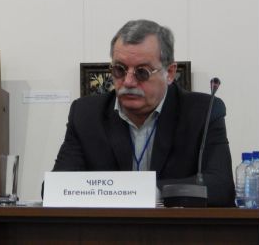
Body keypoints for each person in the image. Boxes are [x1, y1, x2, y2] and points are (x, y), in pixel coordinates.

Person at [52, 19, 235, 207]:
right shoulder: (86, 114)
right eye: (119, 70)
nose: (128, 82)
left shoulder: (203, 112)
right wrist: (129, 191)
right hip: (106, 225)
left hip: (176, 225)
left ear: (170, 73)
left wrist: (149, 191)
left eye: (142, 72)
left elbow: (221, 186)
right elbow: (55, 187)